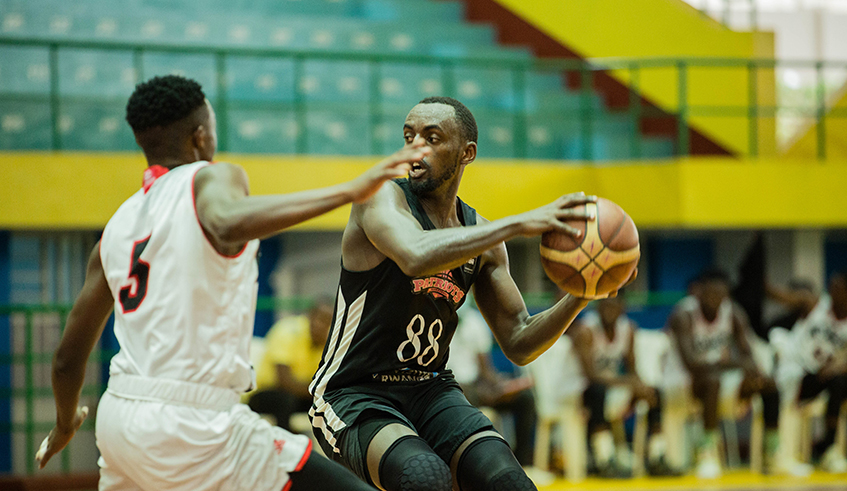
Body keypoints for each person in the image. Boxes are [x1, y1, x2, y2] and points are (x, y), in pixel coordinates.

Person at [34, 74, 431, 490]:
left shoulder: (115, 229)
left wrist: (64, 425)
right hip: (194, 425)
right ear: (201, 136)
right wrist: (350, 190)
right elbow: (225, 223)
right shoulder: (210, 177)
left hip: (118, 421)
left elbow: (66, 359)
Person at [309, 96, 629, 491]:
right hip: (355, 391)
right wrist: (518, 223)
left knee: (509, 482)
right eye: (409, 136)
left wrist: (583, 293)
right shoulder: (381, 199)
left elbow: (519, 341)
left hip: (430, 387)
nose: (415, 148)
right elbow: (413, 254)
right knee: (424, 478)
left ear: (467, 153)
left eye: (431, 137)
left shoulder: (484, 238)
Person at [666, 269, 781, 478]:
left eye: (720, 295)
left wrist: (754, 373)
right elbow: (691, 364)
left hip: (717, 378)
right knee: (712, 381)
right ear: (698, 294)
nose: (714, 300)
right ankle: (707, 453)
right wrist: (733, 364)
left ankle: (772, 452)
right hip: (681, 381)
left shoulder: (733, 313)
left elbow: (747, 352)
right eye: (709, 295)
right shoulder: (684, 315)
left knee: (769, 383)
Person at [570, 294, 676, 477]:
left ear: (622, 309)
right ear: (598, 308)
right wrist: (628, 382)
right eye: (605, 306)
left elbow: (631, 369)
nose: (609, 311)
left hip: (610, 387)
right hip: (577, 389)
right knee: (598, 391)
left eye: (614, 307)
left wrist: (640, 385)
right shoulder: (586, 330)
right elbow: (590, 376)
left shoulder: (628, 329)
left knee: (654, 393)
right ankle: (604, 459)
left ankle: (656, 457)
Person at [770, 272, 847, 473]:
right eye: (831, 286)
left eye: (837, 288)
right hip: (798, 372)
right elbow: (783, 297)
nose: (831, 291)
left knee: (838, 381)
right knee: (835, 381)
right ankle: (788, 455)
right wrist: (762, 284)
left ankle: (828, 447)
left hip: (825, 380)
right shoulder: (815, 304)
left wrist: (836, 367)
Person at [450, 301, 537, 468]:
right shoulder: (435, 321)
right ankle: (475, 463)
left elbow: (485, 369)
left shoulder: (475, 322)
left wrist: (501, 385)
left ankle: (520, 462)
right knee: (462, 394)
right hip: (450, 387)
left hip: (476, 386)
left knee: (526, 399)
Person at [249, 298, 334, 431]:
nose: (324, 327)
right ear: (309, 316)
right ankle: (285, 447)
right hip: (265, 393)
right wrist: (321, 391)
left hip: (302, 394)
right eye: (321, 320)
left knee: (333, 403)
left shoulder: (330, 343)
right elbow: (285, 382)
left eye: (330, 323)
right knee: (285, 401)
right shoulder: (287, 331)